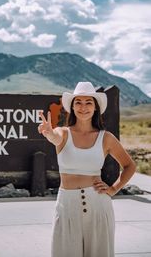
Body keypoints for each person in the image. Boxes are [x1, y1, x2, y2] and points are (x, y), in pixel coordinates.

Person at [38, 81, 136, 257]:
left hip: (99, 206)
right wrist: (48, 133)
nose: (83, 107)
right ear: (72, 107)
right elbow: (55, 137)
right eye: (78, 102)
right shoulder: (63, 132)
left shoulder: (106, 138)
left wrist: (113, 189)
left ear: (96, 107)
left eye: (88, 102)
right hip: (66, 206)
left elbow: (130, 166)